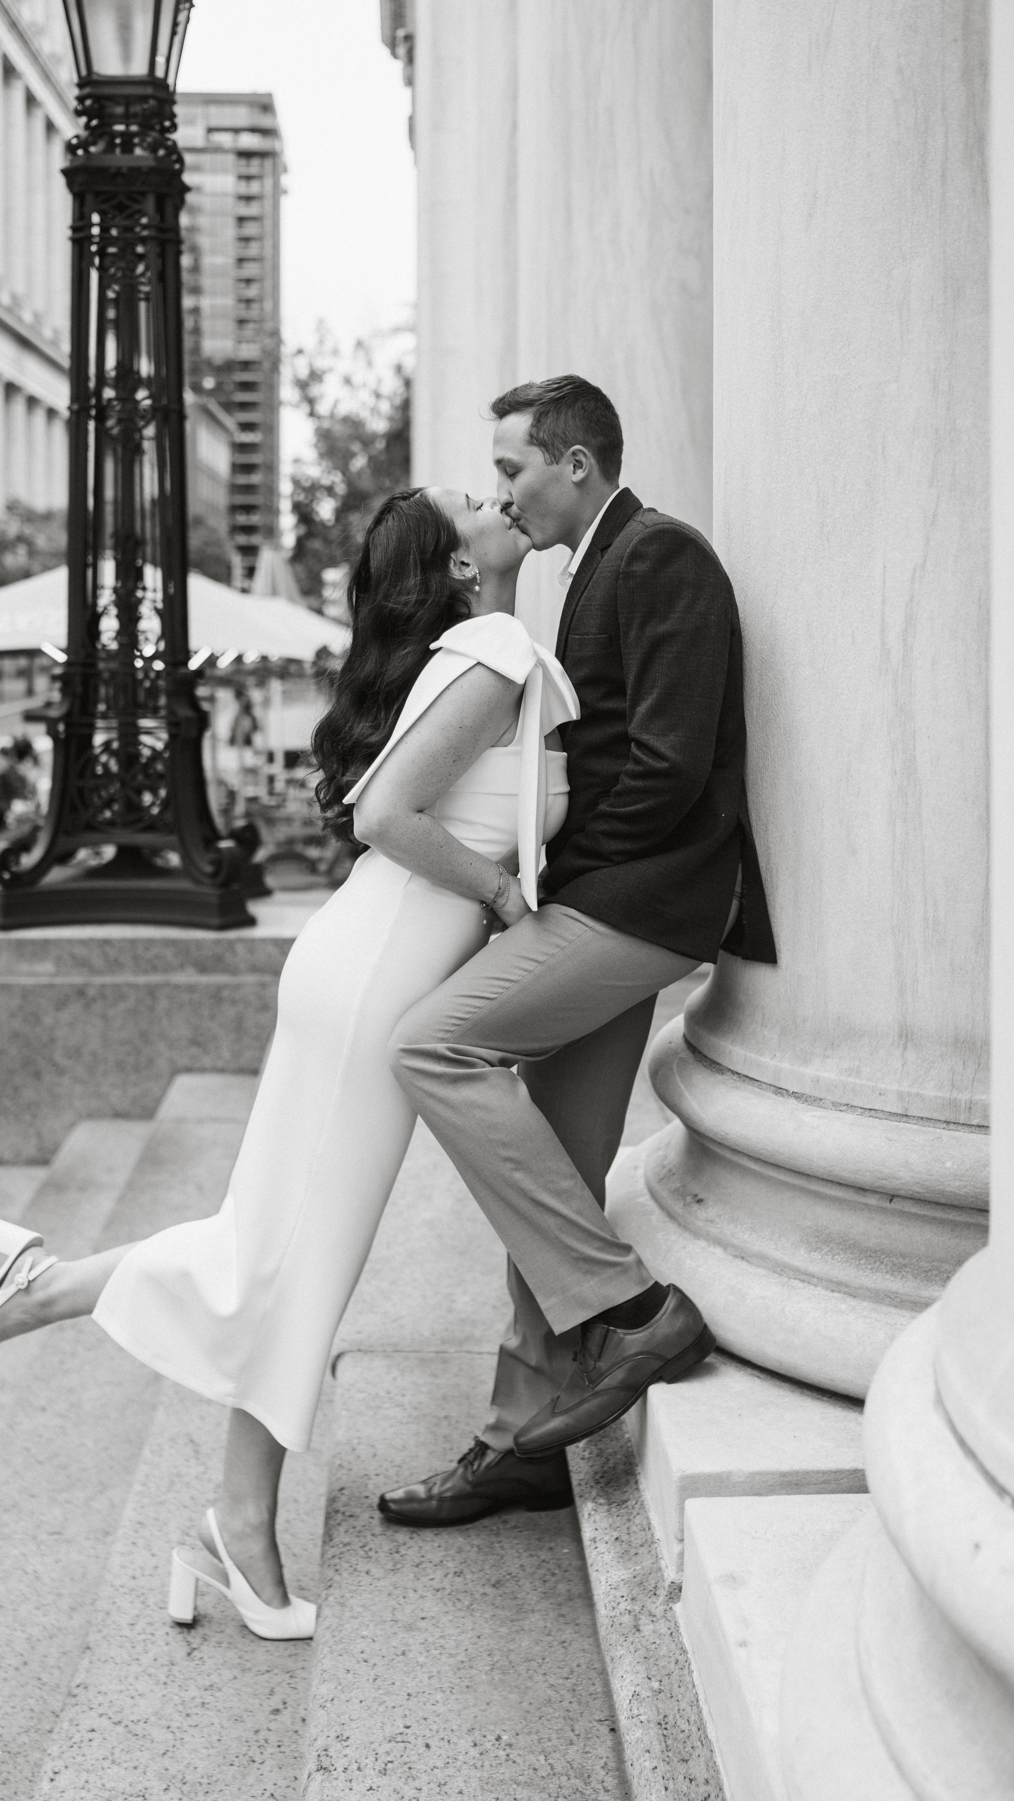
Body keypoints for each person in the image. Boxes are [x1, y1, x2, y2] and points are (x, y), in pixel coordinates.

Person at [0, 485, 579, 1641]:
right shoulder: (493, 645)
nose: (498, 496)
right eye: (476, 498)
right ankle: (75, 1333)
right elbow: (385, 816)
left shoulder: (477, 648)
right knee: (292, 1260)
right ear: (457, 567)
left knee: (287, 1256)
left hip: (366, 966)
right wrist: (502, 898)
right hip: (373, 976)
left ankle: (223, 1506)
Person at [378, 376, 776, 1528]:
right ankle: (520, 1440)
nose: (503, 491)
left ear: (576, 464)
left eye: (511, 468)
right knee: (549, 1162)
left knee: (431, 1044)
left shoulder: (660, 557)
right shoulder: (592, 565)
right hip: (616, 897)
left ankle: (635, 1310)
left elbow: (667, 766)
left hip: (642, 903)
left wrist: (546, 883)